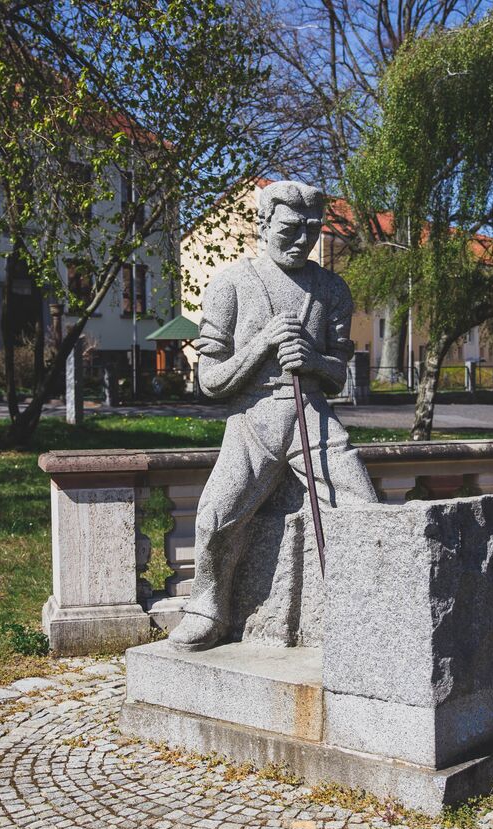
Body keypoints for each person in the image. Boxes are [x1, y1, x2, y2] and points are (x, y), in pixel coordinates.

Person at [169, 180, 377, 650]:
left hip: (312, 416)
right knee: (214, 517)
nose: (303, 240)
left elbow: (339, 375)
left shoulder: (330, 290)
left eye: (311, 229)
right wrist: (259, 344)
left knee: (364, 507)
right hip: (252, 420)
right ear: (264, 225)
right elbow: (211, 381)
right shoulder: (230, 284)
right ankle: (208, 607)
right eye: (290, 229)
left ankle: (369, 613)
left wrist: (315, 361)